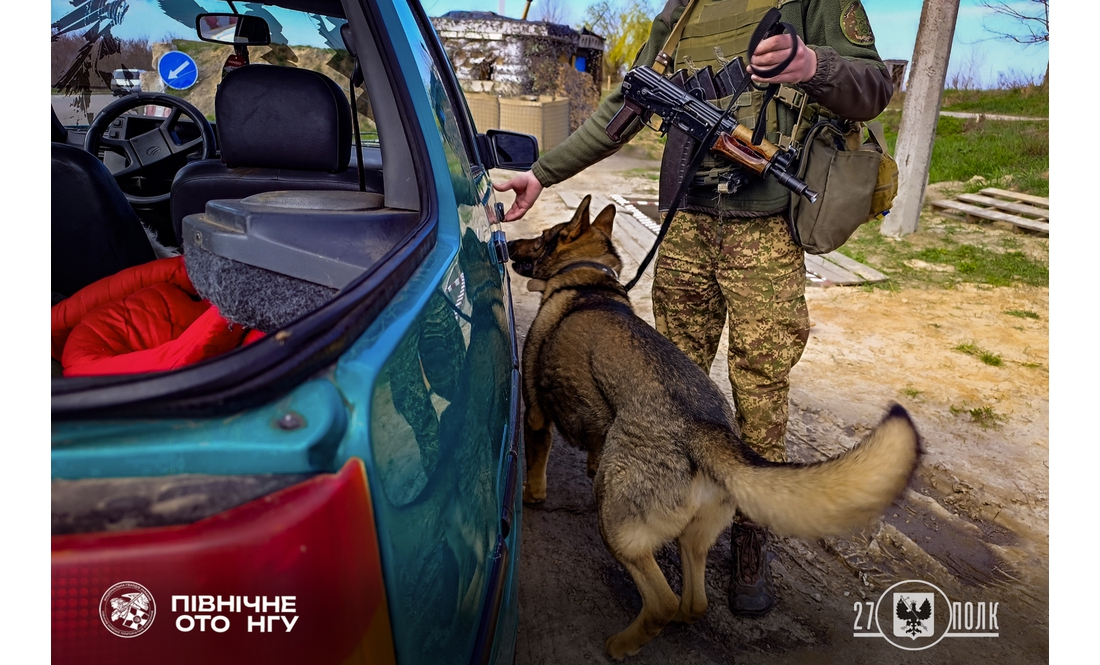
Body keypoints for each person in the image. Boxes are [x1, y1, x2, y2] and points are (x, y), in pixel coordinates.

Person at [494, 0, 892, 616]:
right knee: (670, 380)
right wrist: (542, 174)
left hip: (766, 230)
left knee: (759, 385)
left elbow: (873, 87)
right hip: (686, 226)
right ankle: (677, 510)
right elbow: (625, 109)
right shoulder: (682, 11)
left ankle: (753, 532)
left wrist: (812, 65)